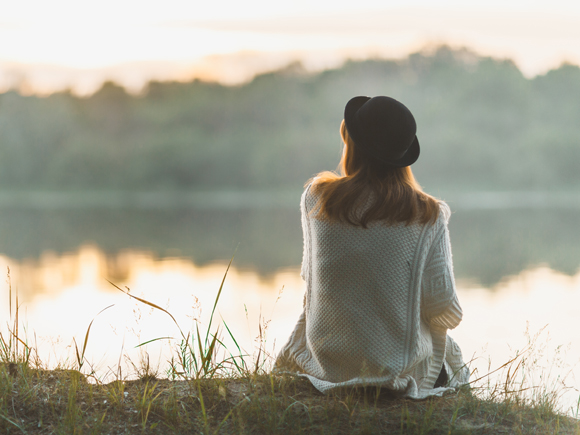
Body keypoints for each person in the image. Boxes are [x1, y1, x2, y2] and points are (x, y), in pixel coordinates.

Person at [275, 96, 469, 398]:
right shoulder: (428, 214)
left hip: (328, 363)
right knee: (448, 353)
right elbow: (443, 306)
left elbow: (311, 280)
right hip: (393, 373)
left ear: (352, 147)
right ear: (401, 156)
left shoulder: (317, 199)